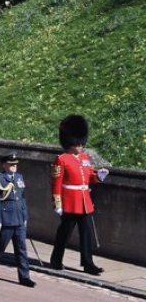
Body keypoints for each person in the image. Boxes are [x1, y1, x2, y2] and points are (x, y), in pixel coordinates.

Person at [50, 115, 109, 275]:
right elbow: (56, 184)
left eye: (82, 143)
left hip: (84, 202)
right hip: (70, 203)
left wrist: (99, 177)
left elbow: (89, 176)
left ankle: (88, 263)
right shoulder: (61, 160)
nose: (81, 146)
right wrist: (57, 204)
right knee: (65, 233)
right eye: (78, 144)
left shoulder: (84, 158)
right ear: (70, 143)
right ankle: (56, 260)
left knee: (87, 233)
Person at [0, 153, 35, 287]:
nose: (14, 166)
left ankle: (24, 277)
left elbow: (22, 198)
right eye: (11, 164)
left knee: (21, 249)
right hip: (6, 219)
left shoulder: (19, 177)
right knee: (1, 246)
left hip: (19, 218)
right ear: (4, 165)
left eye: (15, 164)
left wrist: (25, 215)